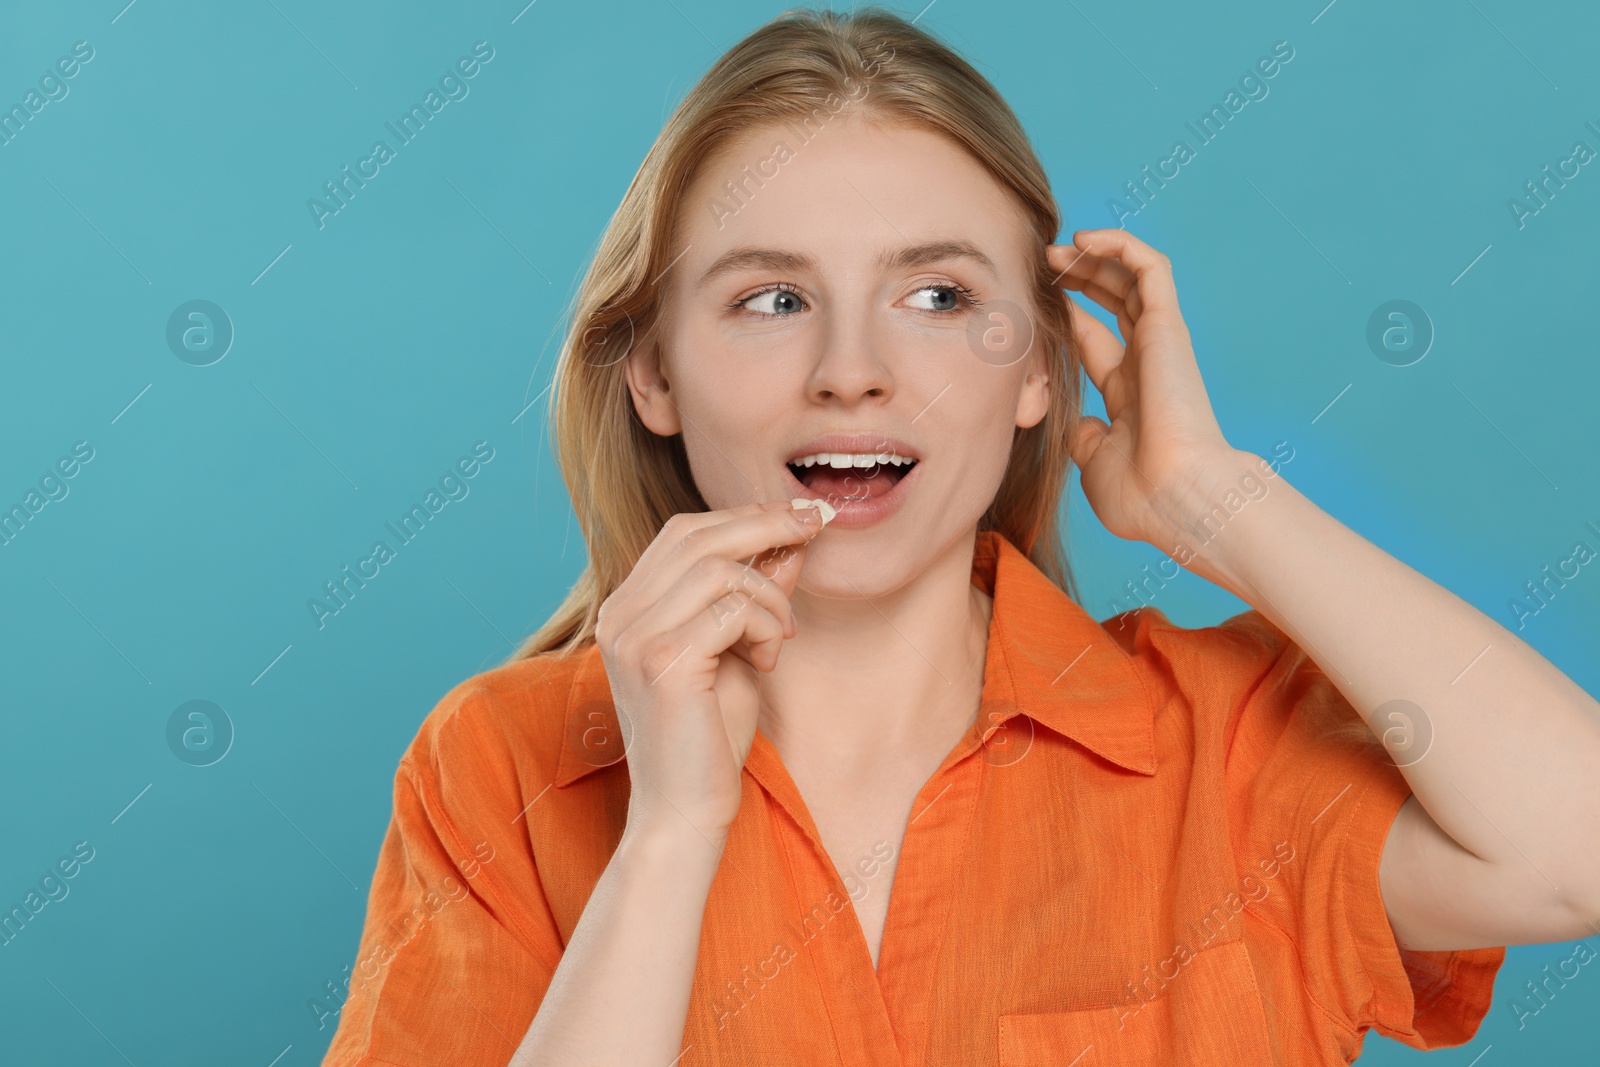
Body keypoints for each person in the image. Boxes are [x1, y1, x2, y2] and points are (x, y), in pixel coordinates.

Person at [319, 7, 1600, 1065]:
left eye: (937, 295)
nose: (853, 370)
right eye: (771, 298)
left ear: (1035, 368)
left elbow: (1572, 855)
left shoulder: (1226, 751)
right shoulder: (503, 770)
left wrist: (1217, 504)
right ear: (653, 374)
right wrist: (667, 834)